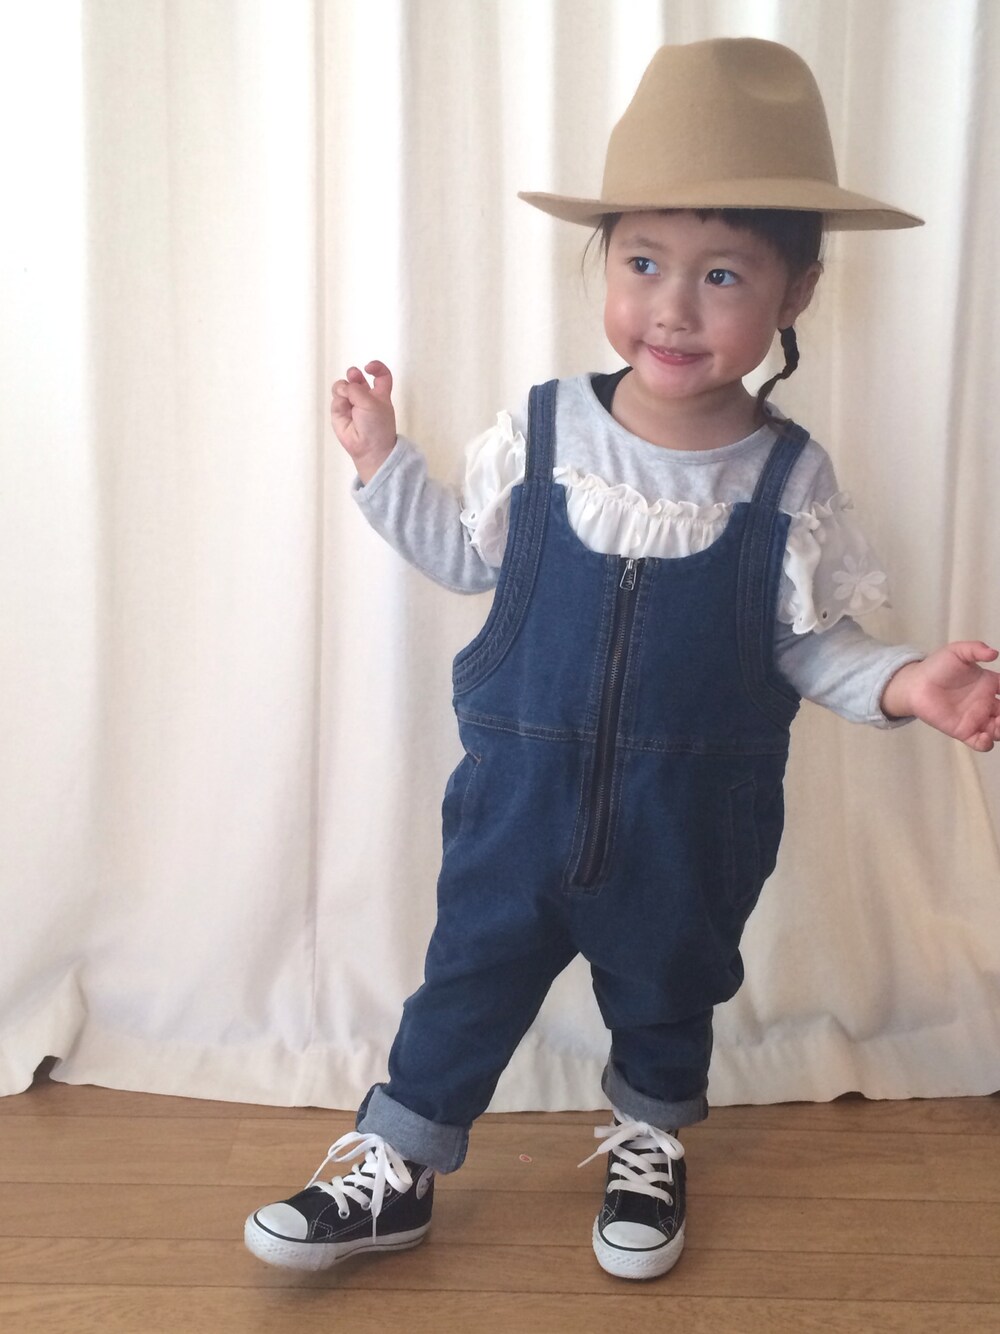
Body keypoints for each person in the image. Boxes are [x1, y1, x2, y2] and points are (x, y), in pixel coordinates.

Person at [245, 37, 1000, 1281]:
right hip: (515, 807)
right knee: (466, 978)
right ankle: (397, 1161)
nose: (673, 308)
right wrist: (383, 460)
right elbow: (467, 556)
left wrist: (913, 680)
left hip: (688, 821)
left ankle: (650, 1140)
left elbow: (807, 642)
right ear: (605, 262)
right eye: (642, 263)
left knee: (667, 986)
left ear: (796, 291)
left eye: (721, 274)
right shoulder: (542, 432)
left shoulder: (787, 479)